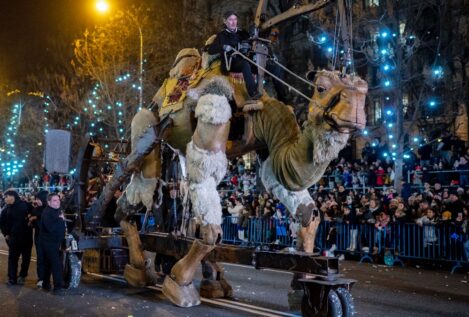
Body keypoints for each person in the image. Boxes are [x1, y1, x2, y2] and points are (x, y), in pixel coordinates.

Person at [208, 10, 261, 102]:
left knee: (258, 64)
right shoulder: (222, 35)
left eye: (235, 19)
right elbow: (210, 50)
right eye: (230, 20)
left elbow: (251, 42)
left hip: (244, 58)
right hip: (230, 62)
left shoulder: (242, 33)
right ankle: (253, 93)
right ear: (225, 21)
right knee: (245, 65)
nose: (233, 22)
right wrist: (223, 47)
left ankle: (260, 89)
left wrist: (251, 41)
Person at [0, 189, 33, 286]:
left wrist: (32, 217)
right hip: (13, 238)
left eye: (6, 197)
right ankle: (12, 278)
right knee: (12, 258)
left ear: (12, 196)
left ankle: (22, 275)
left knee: (26, 258)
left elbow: (34, 212)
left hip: (26, 237)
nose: (5, 199)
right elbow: (2, 222)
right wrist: (5, 233)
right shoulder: (6, 208)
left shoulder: (25, 204)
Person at [39, 193, 66, 294]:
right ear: (49, 202)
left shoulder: (56, 210)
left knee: (49, 264)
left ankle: (46, 284)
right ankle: (57, 287)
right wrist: (61, 220)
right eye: (54, 200)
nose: (57, 202)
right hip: (49, 243)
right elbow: (50, 228)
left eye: (58, 200)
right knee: (56, 264)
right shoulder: (47, 213)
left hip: (55, 242)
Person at [28, 190, 48, 288]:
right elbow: (32, 220)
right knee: (40, 259)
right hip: (38, 237)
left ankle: (47, 279)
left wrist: (36, 218)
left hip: (48, 238)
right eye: (36, 199)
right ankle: (41, 278)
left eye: (39, 199)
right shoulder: (36, 209)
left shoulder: (49, 209)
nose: (37, 201)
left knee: (49, 259)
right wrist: (30, 219)